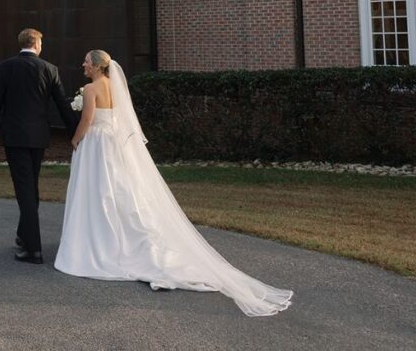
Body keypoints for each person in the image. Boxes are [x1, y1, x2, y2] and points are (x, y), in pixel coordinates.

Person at [54, 49, 293, 317]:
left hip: (97, 144)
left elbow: (87, 120)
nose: (82, 64)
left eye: (86, 61)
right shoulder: (113, 85)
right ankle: (122, 236)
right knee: (121, 190)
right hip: (115, 144)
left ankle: (100, 239)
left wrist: (75, 140)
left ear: (97, 66)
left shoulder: (90, 88)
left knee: (99, 192)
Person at [0, 28, 78, 264]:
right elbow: (62, 105)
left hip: (15, 137)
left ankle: (33, 250)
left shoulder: (5, 68)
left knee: (24, 189)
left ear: (22, 44)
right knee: (31, 187)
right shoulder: (50, 69)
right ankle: (23, 235)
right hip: (38, 136)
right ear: (37, 44)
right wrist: (76, 132)